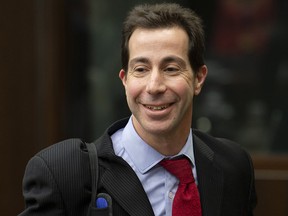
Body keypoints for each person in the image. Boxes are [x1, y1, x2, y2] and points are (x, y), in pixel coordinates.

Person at [19, 3, 257, 216]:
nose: (154, 86)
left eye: (171, 68)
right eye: (141, 69)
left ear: (198, 79)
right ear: (124, 80)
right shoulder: (66, 174)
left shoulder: (233, 167)